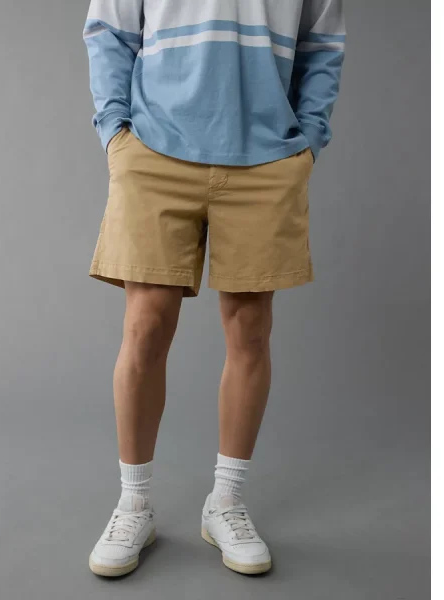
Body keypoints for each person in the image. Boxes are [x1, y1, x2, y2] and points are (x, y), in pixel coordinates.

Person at [83, 0, 345, 577]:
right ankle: (134, 503)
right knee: (146, 326)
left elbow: (323, 43)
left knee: (250, 330)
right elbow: (109, 30)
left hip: (268, 156)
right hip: (153, 148)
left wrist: (309, 140)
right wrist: (115, 132)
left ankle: (225, 501)